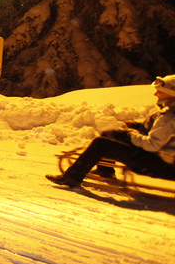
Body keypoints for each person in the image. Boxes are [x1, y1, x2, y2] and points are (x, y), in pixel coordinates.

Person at [47, 75, 175, 188]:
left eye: (160, 92)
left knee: (102, 143)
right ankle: (105, 171)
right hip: (163, 161)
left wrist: (130, 135)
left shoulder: (169, 116)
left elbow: (153, 145)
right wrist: (138, 126)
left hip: (156, 164)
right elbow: (163, 133)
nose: (156, 94)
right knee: (110, 134)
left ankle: (72, 177)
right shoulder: (169, 113)